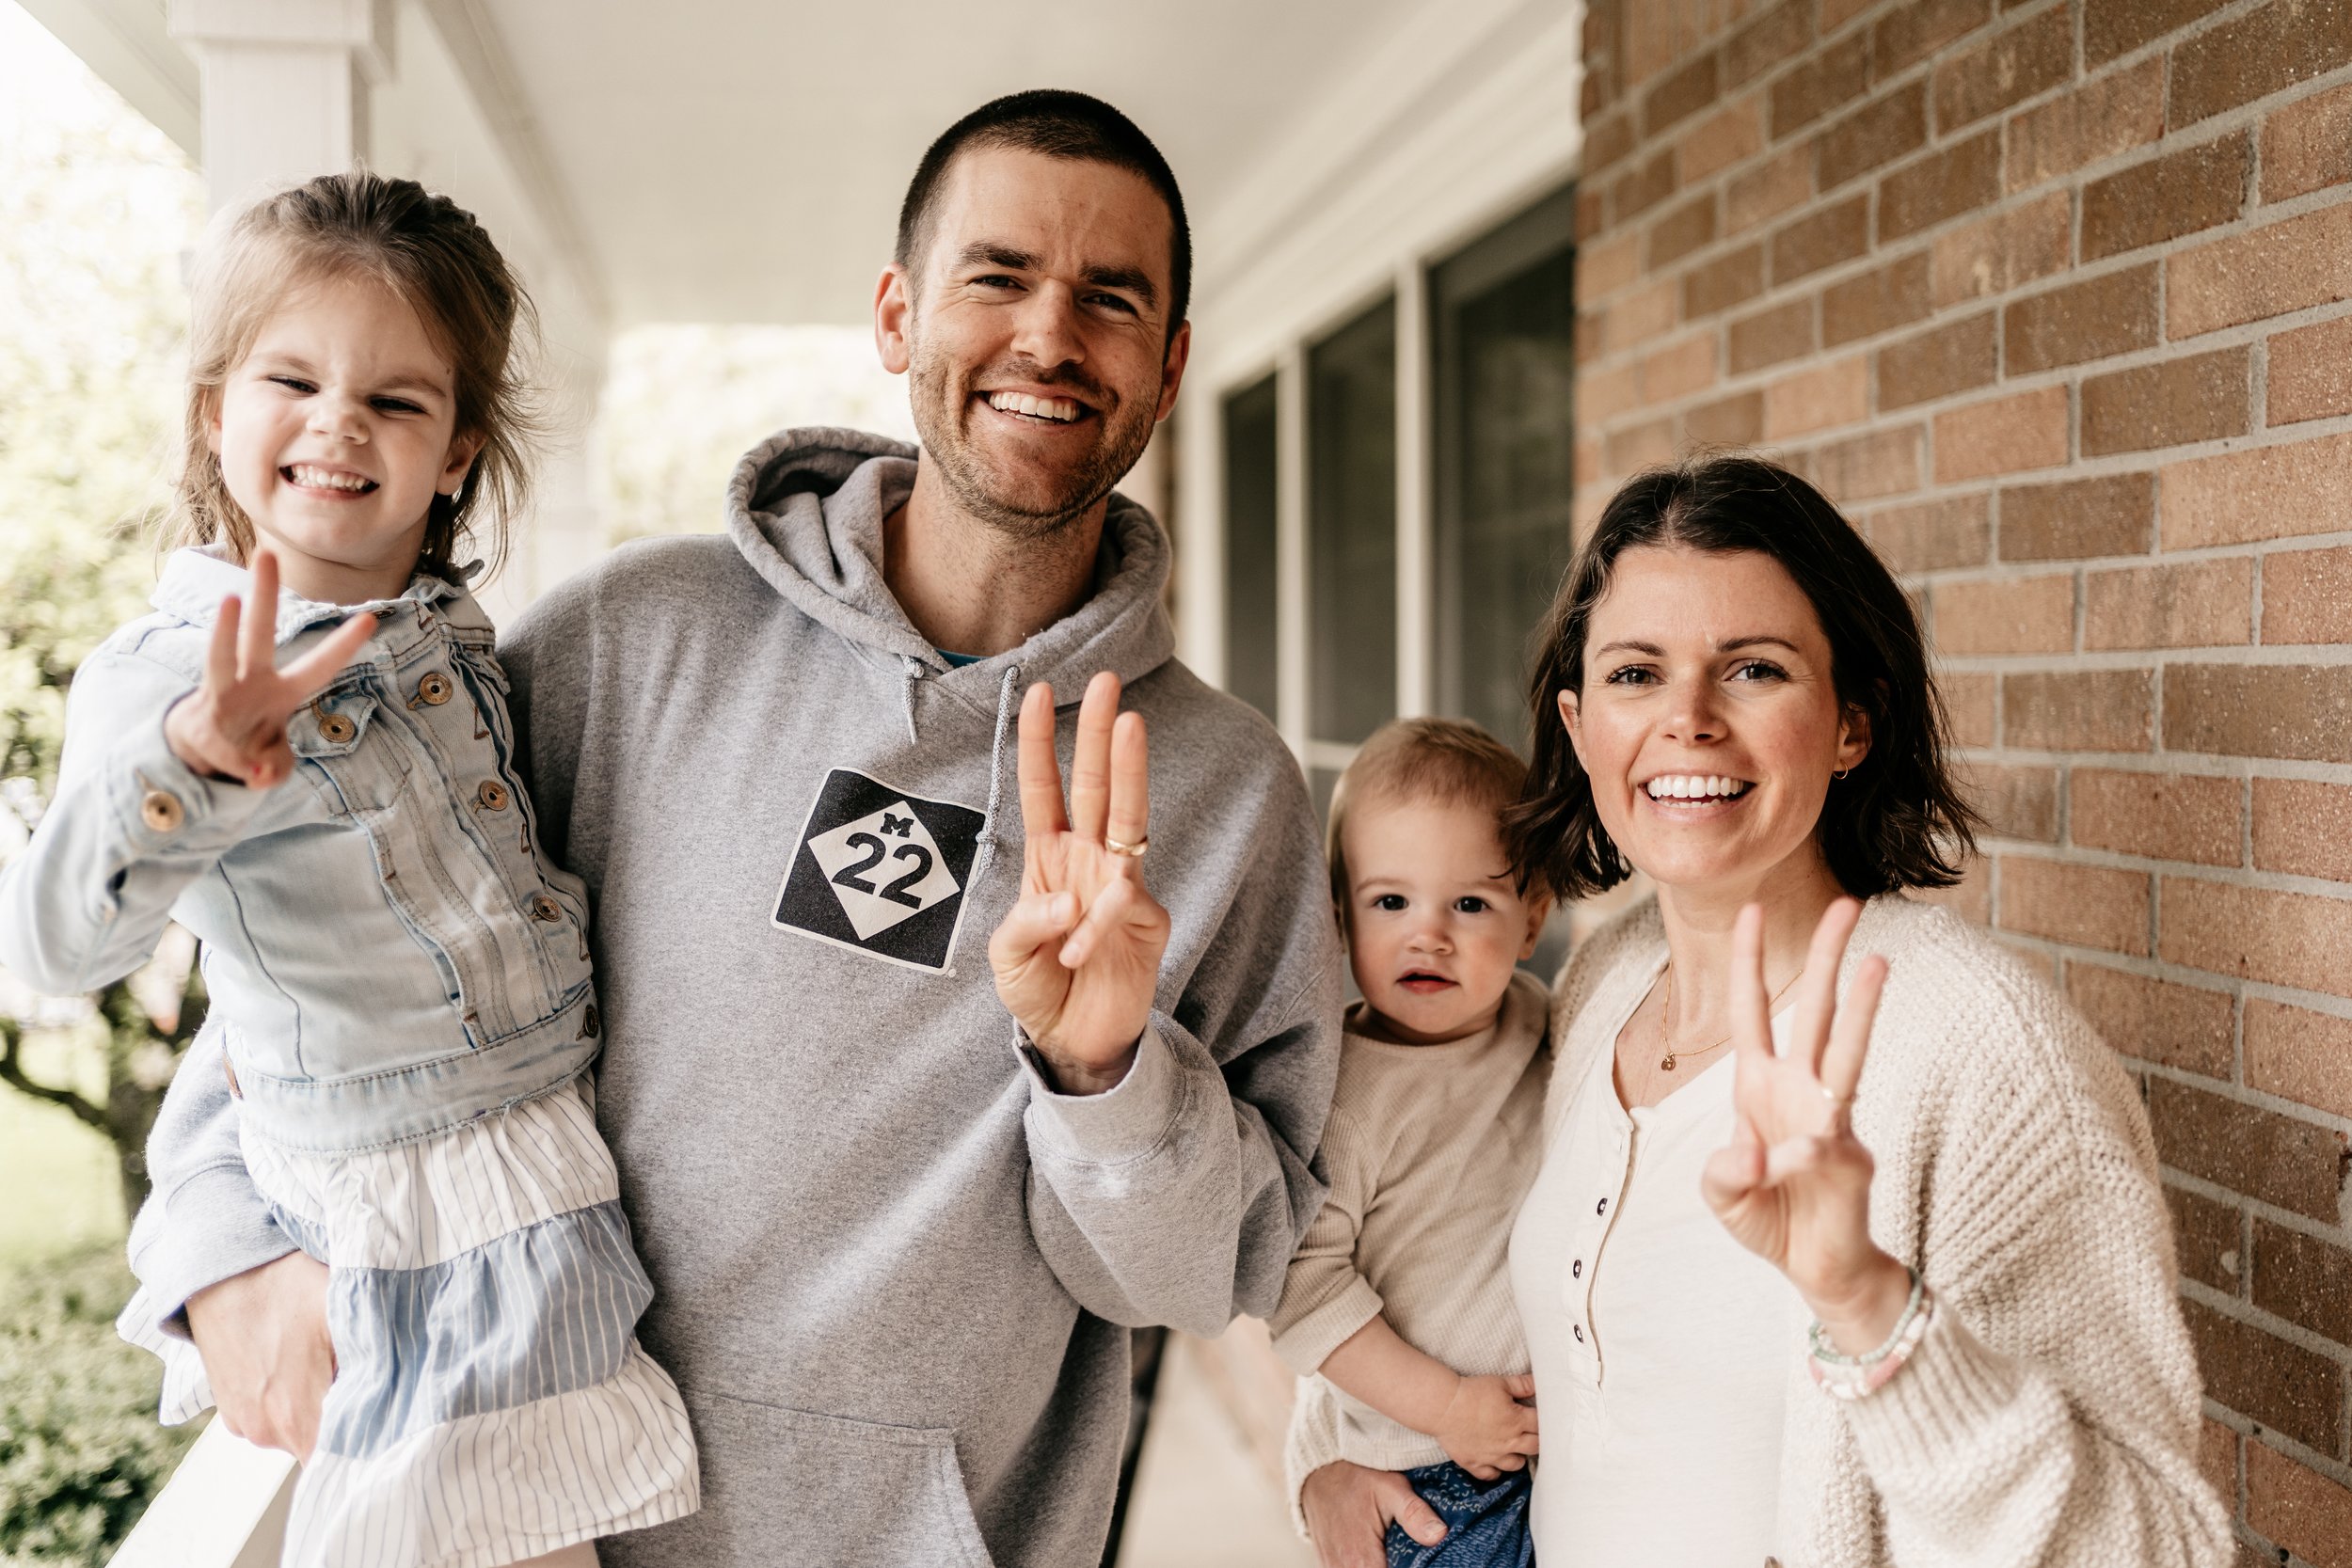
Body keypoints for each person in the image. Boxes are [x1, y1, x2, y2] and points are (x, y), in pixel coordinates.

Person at [125, 91, 1343, 1567]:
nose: (1049, 336)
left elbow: (1198, 1272)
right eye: (999, 277)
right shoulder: (629, 641)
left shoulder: (1225, 794)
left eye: (1111, 298)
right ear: (898, 314)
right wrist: (223, 1239)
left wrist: (1102, 1075)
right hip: (532, 1515)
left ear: (1169, 367)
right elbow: (328, 946)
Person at [1295, 455, 2233, 1567]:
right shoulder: (1589, 995)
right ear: (1581, 723)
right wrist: (1326, 1463)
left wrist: (1872, 1307)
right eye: (1637, 672)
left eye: (1752, 668)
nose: (1687, 720)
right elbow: (1411, 1242)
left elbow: (2164, 1545)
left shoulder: (1979, 1053)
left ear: (1851, 724)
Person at [0, 172, 699, 1567]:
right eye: (291, 378)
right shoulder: (171, 672)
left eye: (394, 398)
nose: (337, 422)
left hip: (542, 1162)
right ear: (215, 411)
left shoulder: (448, 634)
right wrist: (193, 764)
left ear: (455, 451)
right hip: (412, 1199)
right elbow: (47, 954)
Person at [1264, 719, 1548, 1568]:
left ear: (1531, 921)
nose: (1429, 933)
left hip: (1543, 1455)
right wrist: (1449, 1404)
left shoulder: (1544, 1021)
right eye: (1391, 901)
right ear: (1341, 917)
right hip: (1427, 1476)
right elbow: (1303, 1292)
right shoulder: (1341, 1094)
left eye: (1470, 903)